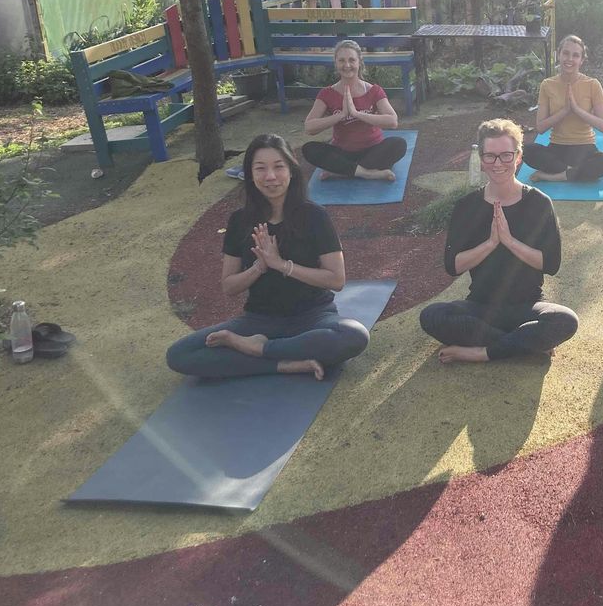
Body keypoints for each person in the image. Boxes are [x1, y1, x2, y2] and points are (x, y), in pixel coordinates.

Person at [167, 134, 369, 380]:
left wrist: (281, 265)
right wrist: (259, 267)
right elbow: (229, 286)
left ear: (291, 171)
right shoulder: (239, 221)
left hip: (313, 317)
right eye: (260, 168)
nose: (270, 176)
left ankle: (259, 349)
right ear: (250, 174)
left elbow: (336, 280)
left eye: (278, 167)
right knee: (180, 354)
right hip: (259, 321)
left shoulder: (315, 216)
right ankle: (284, 363)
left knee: (353, 336)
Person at [419, 118, 579, 363]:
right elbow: (453, 266)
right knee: (432, 316)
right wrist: (491, 243)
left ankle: (482, 352)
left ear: (518, 157)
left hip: (527, 306)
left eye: (506, 156)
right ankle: (525, 343)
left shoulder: (539, 203)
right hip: (481, 306)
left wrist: (510, 241)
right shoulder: (467, 206)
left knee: (565, 320)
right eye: (490, 156)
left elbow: (551, 264)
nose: (498, 164)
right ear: (482, 160)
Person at [301, 39, 408, 182]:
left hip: (372, 150)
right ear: (336, 63)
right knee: (309, 149)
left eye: (352, 60)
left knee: (399, 144)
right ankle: (367, 173)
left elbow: (393, 121)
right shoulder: (327, 93)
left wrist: (357, 114)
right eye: (342, 61)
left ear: (359, 62)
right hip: (342, 152)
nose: (347, 65)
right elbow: (309, 127)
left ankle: (343, 170)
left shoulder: (374, 90)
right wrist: (342, 115)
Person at [521, 35, 603, 183]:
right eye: (566, 53)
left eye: (575, 55)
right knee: (524, 150)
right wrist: (565, 111)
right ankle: (573, 173)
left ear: (581, 60)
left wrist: (577, 110)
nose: (570, 59)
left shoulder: (593, 85)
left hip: (585, 149)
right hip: (557, 149)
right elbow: (540, 127)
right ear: (558, 55)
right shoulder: (547, 85)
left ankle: (555, 175)